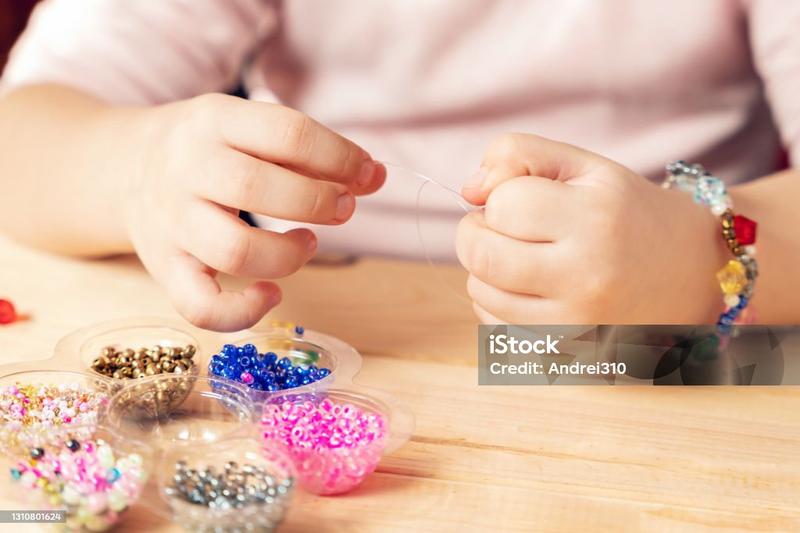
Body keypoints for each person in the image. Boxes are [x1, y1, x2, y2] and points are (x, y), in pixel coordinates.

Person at [0, 0, 797, 332]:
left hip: (660, 350)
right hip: (341, 336)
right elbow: (21, 137)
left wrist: (711, 253)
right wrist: (136, 166)